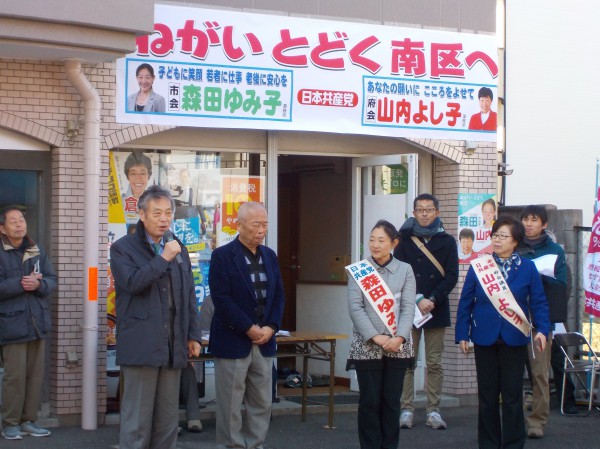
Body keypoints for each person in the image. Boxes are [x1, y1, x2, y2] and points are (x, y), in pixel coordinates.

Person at [110, 185, 202, 449]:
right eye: (157, 213)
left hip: (173, 346)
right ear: (141, 214)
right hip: (141, 344)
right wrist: (163, 258)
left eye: (168, 213)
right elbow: (132, 283)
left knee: (167, 422)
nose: (164, 219)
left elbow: (188, 296)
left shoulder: (178, 248)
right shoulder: (123, 249)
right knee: (137, 422)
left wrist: (192, 335)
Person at [456, 215, 550, 449]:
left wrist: (543, 330)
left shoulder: (527, 268)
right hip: (484, 336)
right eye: (495, 235)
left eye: (503, 236)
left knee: (512, 395)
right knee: (487, 397)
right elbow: (466, 301)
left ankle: (513, 444)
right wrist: (462, 334)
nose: (497, 240)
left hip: (514, 337)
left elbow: (538, 302)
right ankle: (488, 444)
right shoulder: (480, 266)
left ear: (515, 241)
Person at [208, 201, 285, 449]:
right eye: (256, 225)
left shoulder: (270, 256)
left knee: (262, 402)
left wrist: (271, 327)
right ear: (239, 225)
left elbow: (279, 295)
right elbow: (221, 299)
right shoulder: (222, 256)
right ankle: (231, 446)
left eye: (265, 224)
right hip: (234, 340)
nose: (261, 230)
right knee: (230, 404)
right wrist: (248, 327)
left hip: (264, 340)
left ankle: (255, 444)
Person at [347, 220, 416, 449]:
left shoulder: (405, 270)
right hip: (367, 345)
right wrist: (376, 337)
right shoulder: (360, 270)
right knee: (369, 402)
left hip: (398, 344)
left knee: (391, 402)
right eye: (371, 239)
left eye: (381, 240)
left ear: (394, 243)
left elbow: (408, 307)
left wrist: (399, 337)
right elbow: (355, 308)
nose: (375, 245)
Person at [394, 194, 458, 430]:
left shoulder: (448, 241)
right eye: (419, 210)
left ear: (436, 213)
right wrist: (418, 298)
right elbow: (399, 273)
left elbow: (451, 275)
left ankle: (433, 410)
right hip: (411, 308)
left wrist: (432, 299)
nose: (424, 214)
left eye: (428, 210)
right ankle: (406, 409)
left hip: (436, 308)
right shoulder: (404, 241)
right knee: (407, 362)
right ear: (414, 212)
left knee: (434, 362)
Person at [0, 207, 57, 440]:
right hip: (11, 325)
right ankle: (9, 423)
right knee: (14, 377)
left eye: (21, 220)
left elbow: (52, 280)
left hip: (37, 322)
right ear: (2, 228)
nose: (19, 224)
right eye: (13, 221)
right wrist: (21, 284)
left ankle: (29, 420)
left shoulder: (36, 250)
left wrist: (39, 286)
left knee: (35, 376)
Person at [518, 205, 569, 437]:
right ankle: (515, 419)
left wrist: (535, 278)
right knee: (512, 373)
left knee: (539, 373)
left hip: (540, 320)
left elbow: (562, 286)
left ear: (544, 224)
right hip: (513, 318)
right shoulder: (513, 246)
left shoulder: (555, 250)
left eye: (534, 219)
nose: (529, 223)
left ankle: (537, 421)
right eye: (525, 219)